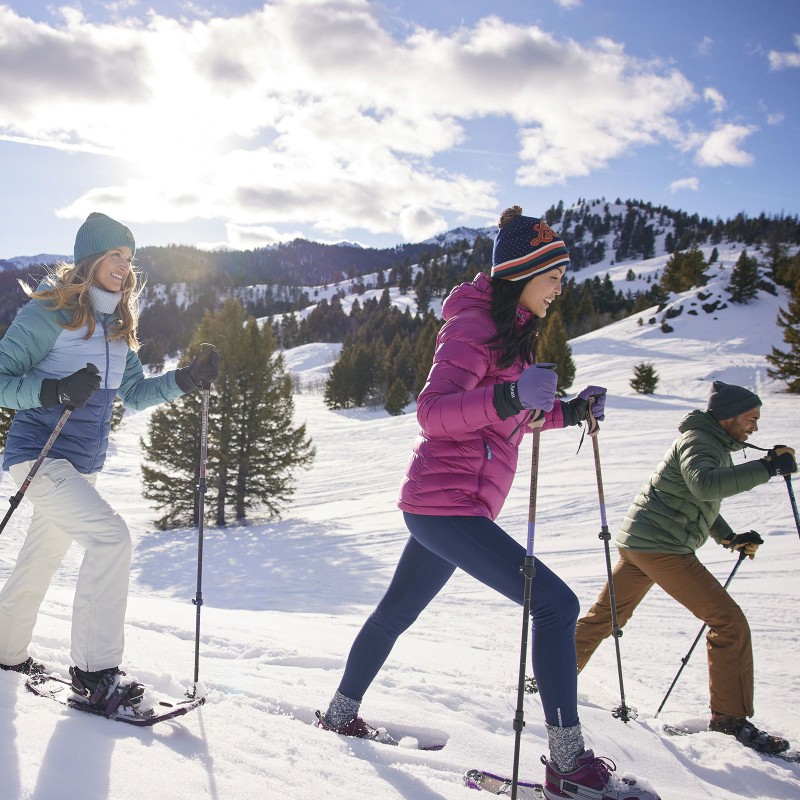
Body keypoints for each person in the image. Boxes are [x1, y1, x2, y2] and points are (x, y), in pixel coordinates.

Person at [316, 206, 659, 800]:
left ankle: (340, 712)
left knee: (397, 611)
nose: (560, 286)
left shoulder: (514, 336)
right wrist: (506, 394)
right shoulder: (472, 327)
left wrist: (568, 410)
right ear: (522, 273)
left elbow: (512, 414)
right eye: (553, 274)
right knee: (555, 604)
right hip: (443, 504)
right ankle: (568, 765)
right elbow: (433, 413)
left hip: (455, 507)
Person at [0, 212, 220, 714]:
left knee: (41, 559)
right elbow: (0, 379)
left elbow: (137, 394)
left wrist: (186, 379)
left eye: (129, 258)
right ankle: (95, 674)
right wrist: (52, 389)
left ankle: (5, 655)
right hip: (38, 456)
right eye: (115, 256)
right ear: (90, 259)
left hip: (82, 465)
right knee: (110, 537)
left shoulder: (119, 325)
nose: (124, 266)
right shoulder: (47, 314)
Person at [574, 381, 797, 754]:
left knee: (605, 617)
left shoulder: (711, 443)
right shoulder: (700, 442)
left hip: (642, 543)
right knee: (728, 621)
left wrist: (728, 537)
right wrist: (768, 467)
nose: (754, 427)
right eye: (750, 418)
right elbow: (706, 485)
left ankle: (548, 679)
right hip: (661, 547)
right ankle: (729, 720)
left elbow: (696, 500)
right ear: (728, 417)